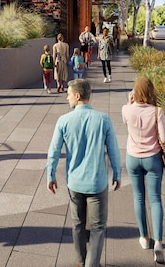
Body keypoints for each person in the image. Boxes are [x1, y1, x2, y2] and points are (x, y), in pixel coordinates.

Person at [47, 78, 121, 267]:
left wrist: (51, 175)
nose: (67, 98)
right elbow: (113, 150)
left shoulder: (63, 120)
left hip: (75, 183)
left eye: (68, 94)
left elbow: (54, 150)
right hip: (97, 183)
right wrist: (117, 173)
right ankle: (92, 264)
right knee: (97, 227)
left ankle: (81, 261)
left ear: (78, 96)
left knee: (78, 225)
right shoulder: (103, 119)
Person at [122, 76, 165, 263]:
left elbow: (127, 122)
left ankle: (143, 237)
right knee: (155, 199)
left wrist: (129, 103)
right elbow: (164, 140)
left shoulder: (126, 110)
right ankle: (158, 241)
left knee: (138, 197)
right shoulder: (157, 111)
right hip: (152, 158)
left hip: (133, 158)